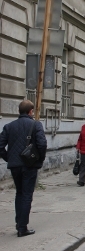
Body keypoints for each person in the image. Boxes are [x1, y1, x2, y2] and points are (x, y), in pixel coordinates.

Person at [0, 100, 47, 237]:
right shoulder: (36, 124)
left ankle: (18, 222)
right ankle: (22, 227)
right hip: (29, 165)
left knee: (19, 193)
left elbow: (0, 146)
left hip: (15, 165)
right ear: (30, 111)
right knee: (27, 194)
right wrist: (40, 159)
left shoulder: (9, 126)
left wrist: (9, 158)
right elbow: (42, 144)